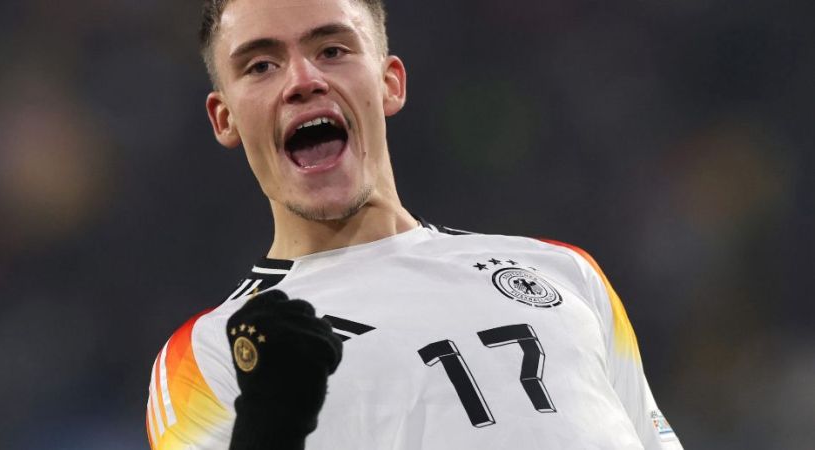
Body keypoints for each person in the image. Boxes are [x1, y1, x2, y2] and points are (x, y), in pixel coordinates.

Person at [145, 0, 683, 448]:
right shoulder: (214, 351)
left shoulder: (564, 270)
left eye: (332, 50)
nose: (303, 81)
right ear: (225, 118)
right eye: (261, 65)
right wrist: (269, 432)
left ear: (390, 83)